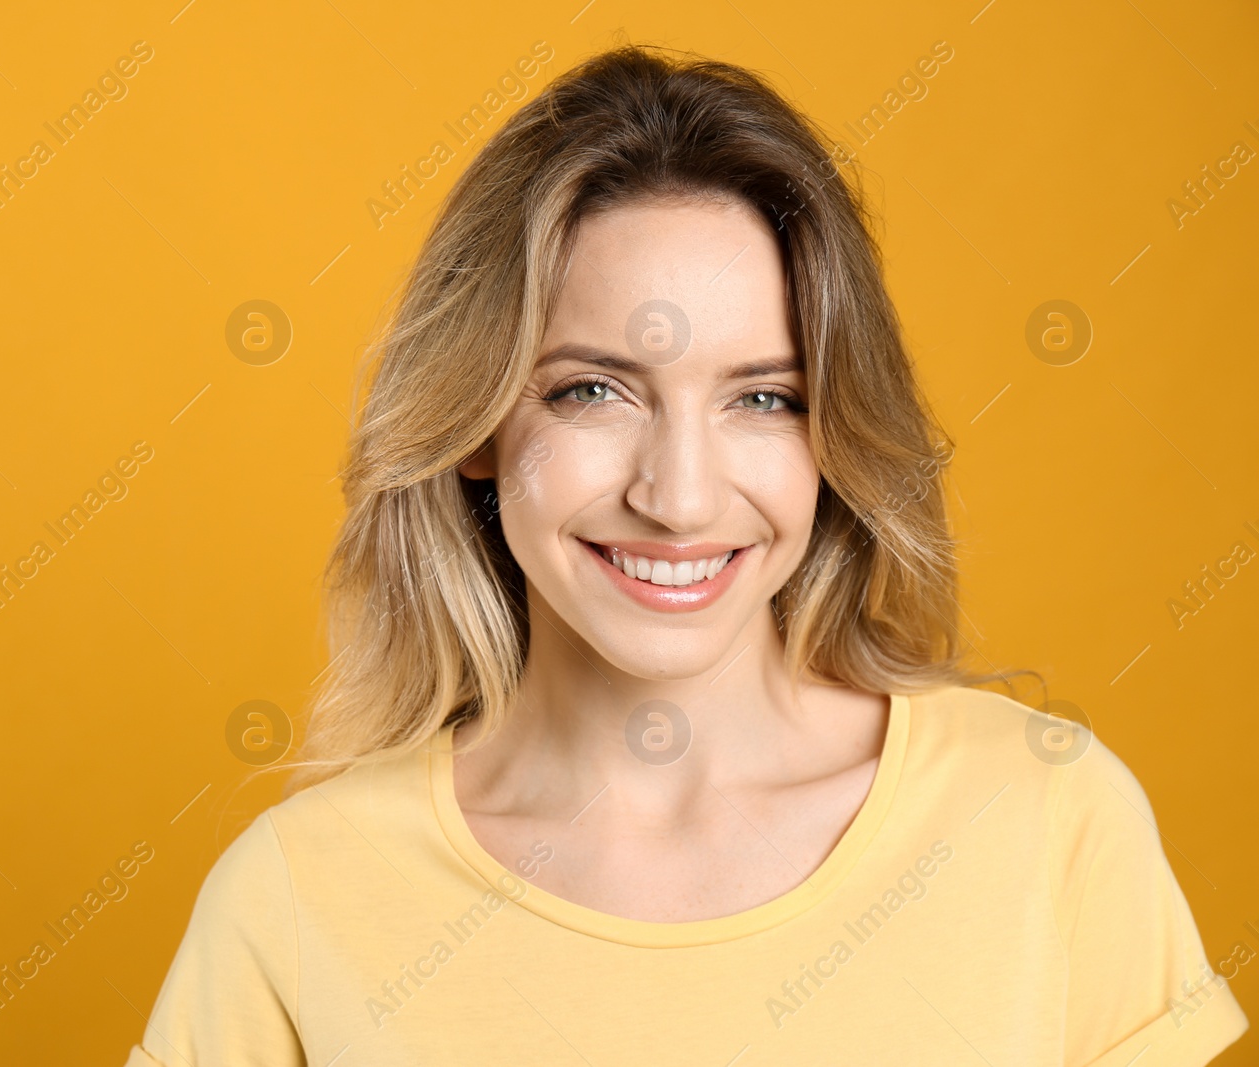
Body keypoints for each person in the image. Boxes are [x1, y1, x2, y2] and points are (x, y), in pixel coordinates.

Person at [122, 45, 1249, 1066]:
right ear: (474, 424)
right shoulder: (297, 897)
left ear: (833, 435)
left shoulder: (1045, 819)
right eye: (592, 390)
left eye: (763, 397)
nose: (679, 495)